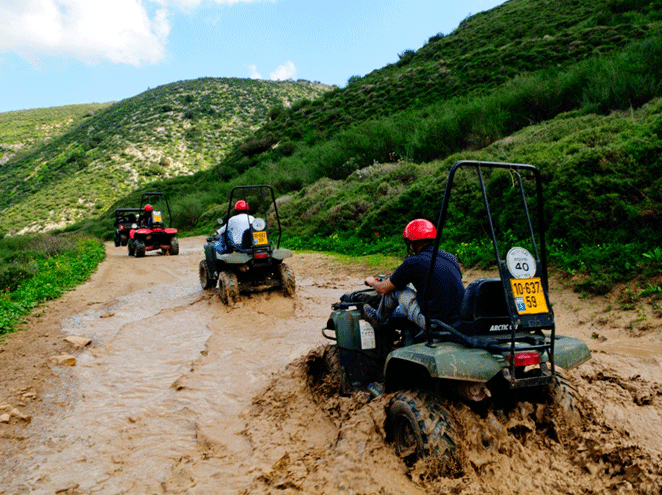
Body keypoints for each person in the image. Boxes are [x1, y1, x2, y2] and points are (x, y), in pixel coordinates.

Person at [362, 218, 465, 334]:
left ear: (411, 243)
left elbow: (383, 288)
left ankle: (379, 319)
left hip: (434, 323)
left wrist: (372, 282)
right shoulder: (450, 257)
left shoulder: (413, 262)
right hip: (457, 321)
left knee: (397, 290)